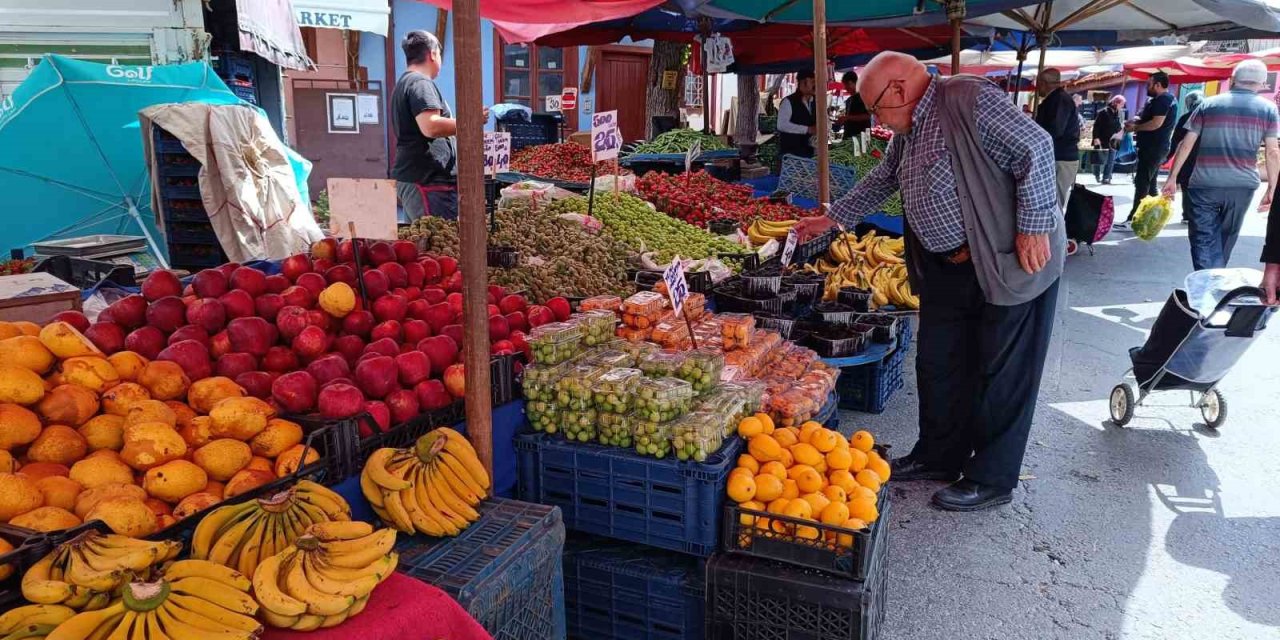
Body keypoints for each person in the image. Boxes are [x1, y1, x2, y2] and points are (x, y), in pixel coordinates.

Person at [795, 51, 1064, 512]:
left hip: (1005, 261)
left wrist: (1034, 225)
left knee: (1002, 372)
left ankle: (991, 478)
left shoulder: (968, 99)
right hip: (945, 268)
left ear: (898, 89)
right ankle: (939, 455)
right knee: (939, 363)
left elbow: (1035, 146)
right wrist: (834, 218)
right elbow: (884, 178)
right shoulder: (911, 128)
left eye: (876, 107)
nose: (876, 119)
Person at [1162, 61, 1280, 270]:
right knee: (1227, 235)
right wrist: (1272, 187)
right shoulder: (1268, 109)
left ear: (1233, 80)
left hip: (1204, 183)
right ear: (1262, 83)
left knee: (1202, 236)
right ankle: (1215, 277)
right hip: (1242, 185)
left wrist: (1172, 178)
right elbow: (1272, 151)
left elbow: (1186, 144)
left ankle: (1208, 279)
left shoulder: (1208, 105)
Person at [391, 30, 487, 221]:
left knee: (422, 238)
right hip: (427, 180)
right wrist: (471, 122)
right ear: (433, 54)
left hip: (417, 178)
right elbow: (431, 126)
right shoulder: (420, 83)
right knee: (436, 237)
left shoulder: (405, 82)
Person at [1116, 72, 1177, 228]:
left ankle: (1134, 219)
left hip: (1154, 148)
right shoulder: (1156, 100)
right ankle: (1152, 218)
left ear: (1158, 85)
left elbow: (1156, 123)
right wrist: (1135, 121)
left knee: (1142, 182)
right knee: (1150, 185)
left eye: (1149, 84)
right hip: (1152, 148)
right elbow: (1144, 117)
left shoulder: (1164, 99)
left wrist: (1135, 128)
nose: (1146, 87)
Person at [1034, 68, 1081, 209]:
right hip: (1059, 157)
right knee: (1052, 201)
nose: (1036, 87)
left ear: (1044, 83)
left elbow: (1055, 130)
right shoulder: (1056, 99)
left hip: (1061, 158)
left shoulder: (1060, 100)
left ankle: (1055, 225)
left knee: (1055, 203)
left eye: (1038, 83)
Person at [1168, 90, 1205, 223]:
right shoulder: (1210, 117)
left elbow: (1176, 140)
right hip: (1205, 159)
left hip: (1187, 158)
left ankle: (1188, 215)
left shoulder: (1186, 118)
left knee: (1187, 187)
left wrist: (1168, 156)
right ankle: (1199, 214)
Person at [776, 70, 818, 158]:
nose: (815, 85)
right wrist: (807, 129)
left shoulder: (816, 101)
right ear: (803, 83)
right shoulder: (788, 102)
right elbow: (782, 125)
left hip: (809, 153)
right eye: (812, 82)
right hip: (791, 154)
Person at [1091, 95, 1126, 184]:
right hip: (1102, 139)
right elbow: (1096, 126)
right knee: (1099, 158)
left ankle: (1106, 178)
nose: (1122, 106)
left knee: (1111, 159)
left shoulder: (1118, 113)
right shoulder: (1103, 112)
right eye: (1121, 104)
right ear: (1115, 103)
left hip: (1113, 140)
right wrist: (1096, 138)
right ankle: (1097, 174)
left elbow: (1119, 125)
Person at [836, 72, 871, 139]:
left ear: (851, 83)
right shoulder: (849, 100)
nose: (845, 88)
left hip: (861, 137)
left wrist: (847, 118)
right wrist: (843, 120)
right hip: (849, 136)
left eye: (846, 85)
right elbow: (850, 118)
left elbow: (867, 116)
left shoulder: (863, 97)